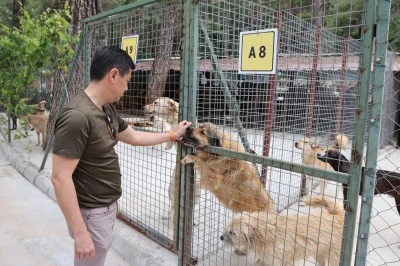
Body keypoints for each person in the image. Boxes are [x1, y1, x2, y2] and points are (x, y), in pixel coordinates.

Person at [51, 46, 191, 266]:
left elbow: (134, 137)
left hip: (104, 208)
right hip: (91, 212)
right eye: (127, 81)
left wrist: (173, 134)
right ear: (113, 75)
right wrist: (80, 233)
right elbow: (60, 177)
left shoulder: (106, 109)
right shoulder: (77, 116)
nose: (127, 88)